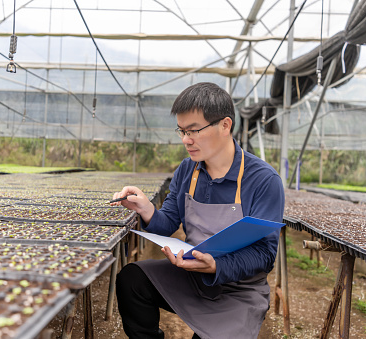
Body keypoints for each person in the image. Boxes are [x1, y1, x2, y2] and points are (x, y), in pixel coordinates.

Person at [111, 82, 285, 339]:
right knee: (132, 280)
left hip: (239, 291)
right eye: (181, 131)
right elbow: (168, 222)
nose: (185, 140)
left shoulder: (262, 180)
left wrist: (216, 265)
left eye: (193, 130)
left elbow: (264, 255)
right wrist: (147, 209)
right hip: (192, 276)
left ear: (225, 125)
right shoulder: (187, 170)